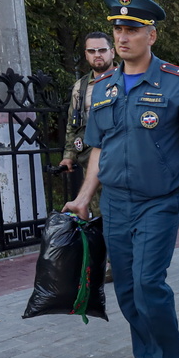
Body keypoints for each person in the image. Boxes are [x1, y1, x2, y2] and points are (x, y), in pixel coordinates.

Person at [63, 0, 179, 358]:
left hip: (160, 201)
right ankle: (145, 355)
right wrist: (83, 198)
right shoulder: (103, 89)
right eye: (118, 28)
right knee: (128, 288)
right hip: (114, 202)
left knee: (149, 282)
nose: (122, 36)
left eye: (131, 28)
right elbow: (99, 149)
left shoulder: (178, 83)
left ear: (151, 35)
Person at [59, 32, 115, 220]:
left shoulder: (126, 80)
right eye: (92, 51)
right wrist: (69, 155)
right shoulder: (81, 87)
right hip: (91, 160)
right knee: (99, 215)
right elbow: (73, 123)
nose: (97, 54)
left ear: (112, 52)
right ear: (86, 55)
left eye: (102, 50)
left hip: (121, 158)